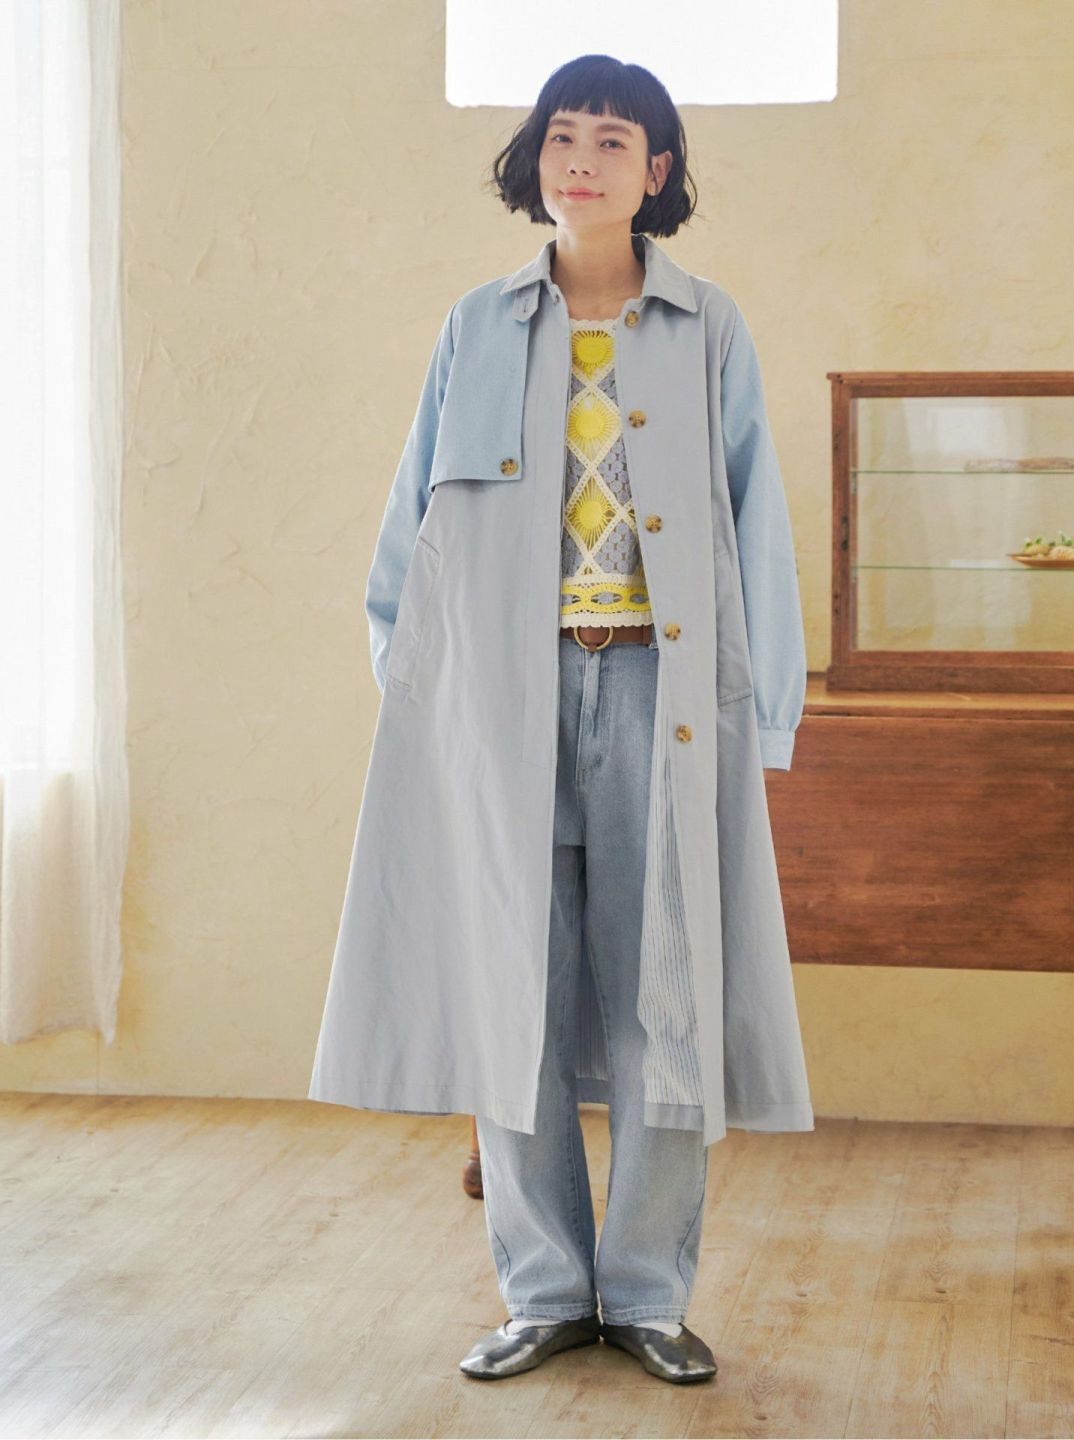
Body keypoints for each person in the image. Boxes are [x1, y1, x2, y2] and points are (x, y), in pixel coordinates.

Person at [308, 52, 814, 1388]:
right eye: (561, 138)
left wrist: (765, 718)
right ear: (535, 160)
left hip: (660, 697)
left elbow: (757, 521)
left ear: (657, 172)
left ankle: (646, 1295)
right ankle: (541, 1292)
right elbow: (414, 523)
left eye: (612, 142)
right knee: (508, 994)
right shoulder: (476, 327)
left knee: (666, 1000)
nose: (581, 162)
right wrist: (422, 696)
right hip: (502, 705)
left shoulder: (708, 328)